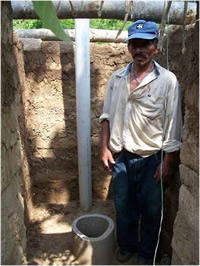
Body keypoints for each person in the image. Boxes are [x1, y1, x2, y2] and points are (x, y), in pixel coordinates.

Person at [100, 20, 182, 264]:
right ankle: (126, 246)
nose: (140, 50)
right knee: (124, 207)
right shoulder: (116, 79)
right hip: (121, 157)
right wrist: (104, 147)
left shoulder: (168, 81)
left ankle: (148, 254)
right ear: (128, 47)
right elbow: (106, 116)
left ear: (155, 47)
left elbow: (173, 122)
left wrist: (168, 159)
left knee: (151, 211)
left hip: (151, 159)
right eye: (135, 44)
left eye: (146, 44)